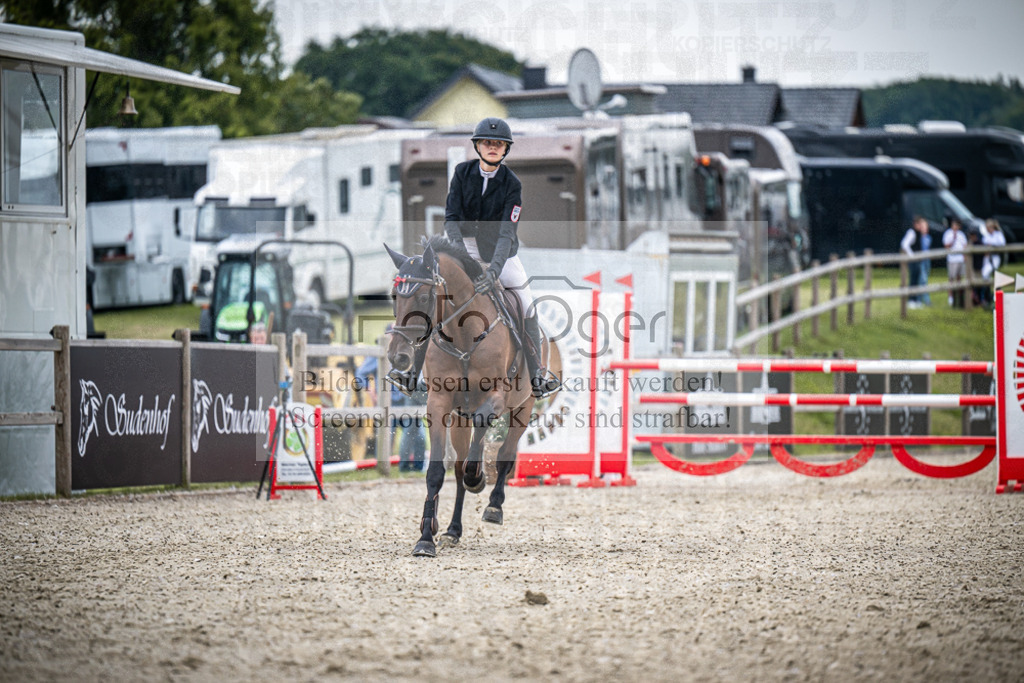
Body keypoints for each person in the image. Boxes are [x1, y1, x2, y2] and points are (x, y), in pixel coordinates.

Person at [389, 117, 559, 399]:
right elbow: (452, 217)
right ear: (478, 146)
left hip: (501, 254)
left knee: (526, 305)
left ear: (505, 149)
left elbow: (507, 233)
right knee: (433, 299)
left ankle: (538, 375)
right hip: (463, 248)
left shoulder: (512, 184)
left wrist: (493, 271)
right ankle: (411, 374)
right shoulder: (462, 173)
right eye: (487, 143)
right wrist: (460, 256)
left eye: (498, 144)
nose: (492, 147)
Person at [357, 329, 426, 472]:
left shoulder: (409, 351)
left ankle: (417, 467)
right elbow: (360, 374)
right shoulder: (380, 353)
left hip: (406, 400)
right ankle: (382, 466)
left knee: (418, 435)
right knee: (385, 437)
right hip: (388, 402)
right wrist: (371, 393)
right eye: (395, 333)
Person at [900, 215, 931, 307]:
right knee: (913, 280)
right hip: (914, 261)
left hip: (918, 260)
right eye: (919, 224)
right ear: (915, 224)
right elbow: (904, 244)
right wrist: (912, 256)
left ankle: (916, 300)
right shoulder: (912, 232)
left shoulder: (918, 233)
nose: (921, 226)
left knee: (917, 280)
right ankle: (911, 300)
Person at [942, 216, 968, 308]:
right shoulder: (948, 234)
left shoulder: (961, 235)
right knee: (951, 278)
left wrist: (965, 257)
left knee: (959, 278)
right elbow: (946, 246)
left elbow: (964, 246)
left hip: (960, 259)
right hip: (952, 259)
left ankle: (959, 297)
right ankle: (951, 297)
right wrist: (953, 238)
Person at [980, 218, 1006, 308]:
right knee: (985, 274)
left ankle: (997, 295)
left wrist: (991, 244)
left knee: (994, 274)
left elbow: (1002, 243)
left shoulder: (998, 234)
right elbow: (984, 242)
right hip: (988, 257)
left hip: (995, 257)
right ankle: (987, 296)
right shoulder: (986, 235)